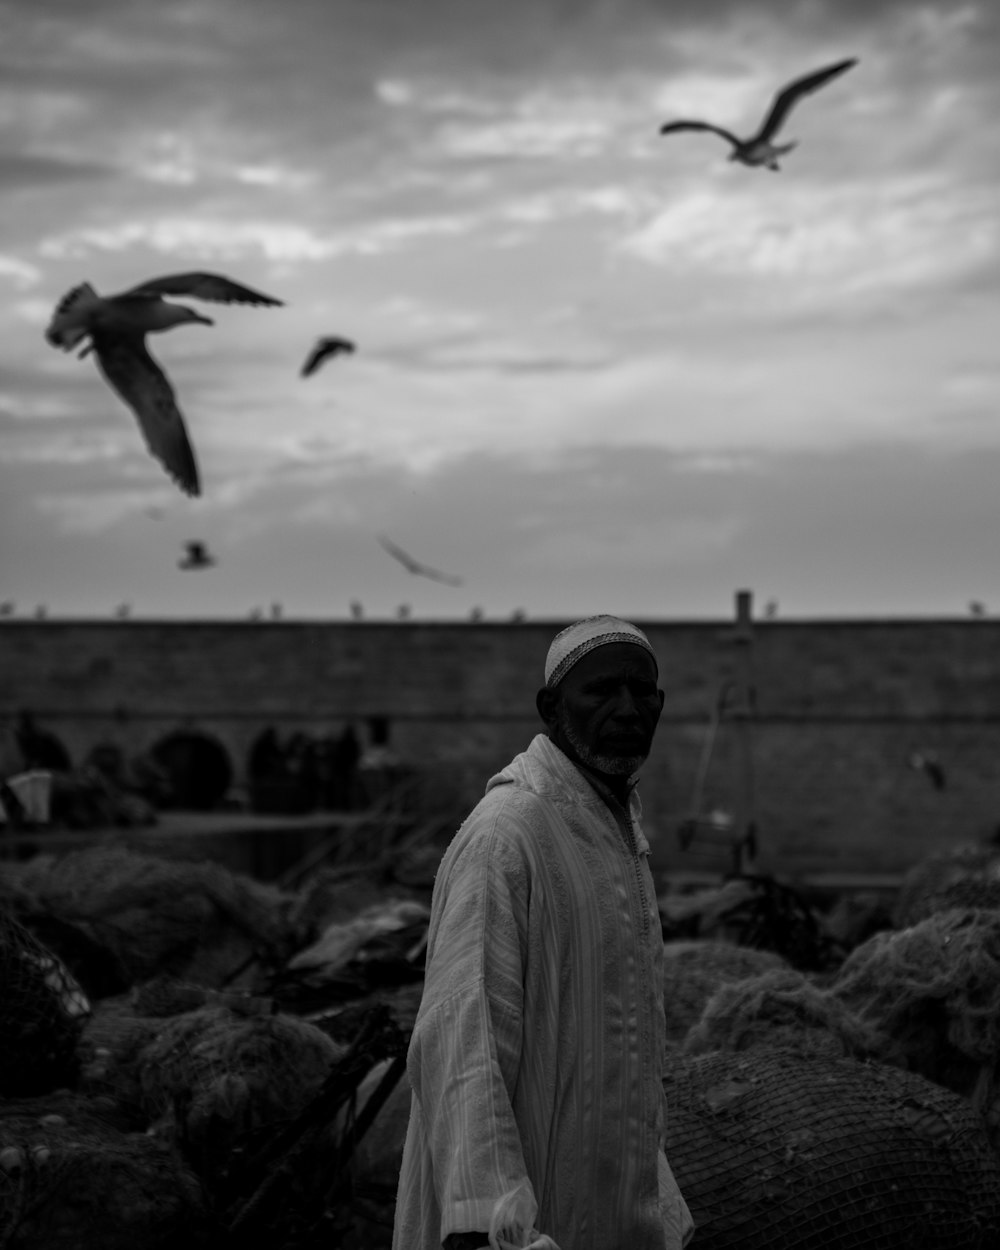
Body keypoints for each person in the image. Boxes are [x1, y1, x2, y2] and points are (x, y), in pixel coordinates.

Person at [393, 615, 694, 1250]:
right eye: (602, 691)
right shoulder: (507, 837)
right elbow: (462, 1041)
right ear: (551, 707)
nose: (628, 708)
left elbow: (622, 1054)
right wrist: (492, 1221)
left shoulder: (616, 835)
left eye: (644, 693)